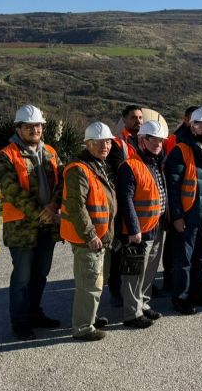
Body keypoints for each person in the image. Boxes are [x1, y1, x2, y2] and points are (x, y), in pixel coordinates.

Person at [0, 104, 63, 341]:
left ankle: (35, 313)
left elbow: (62, 182)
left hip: (48, 226)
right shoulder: (5, 156)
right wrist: (41, 213)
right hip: (22, 229)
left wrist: (53, 207)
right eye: (29, 126)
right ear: (18, 128)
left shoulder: (51, 152)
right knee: (22, 277)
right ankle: (20, 321)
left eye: (38, 126)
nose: (35, 130)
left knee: (40, 274)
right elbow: (12, 191)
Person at [61, 122, 117, 341]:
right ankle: (83, 327)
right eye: (99, 142)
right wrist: (90, 234)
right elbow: (76, 206)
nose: (105, 146)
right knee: (89, 283)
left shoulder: (98, 165)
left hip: (101, 237)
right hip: (89, 239)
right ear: (88, 144)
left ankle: (90, 317)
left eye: (108, 142)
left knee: (97, 280)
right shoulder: (79, 169)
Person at [165, 107, 202, 314]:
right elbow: (173, 188)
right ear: (192, 126)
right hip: (188, 217)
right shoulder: (180, 150)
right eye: (201, 125)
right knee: (184, 261)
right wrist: (177, 216)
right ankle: (181, 298)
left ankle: (196, 293)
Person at [115, 120, 168, 328]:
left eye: (160, 141)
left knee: (149, 270)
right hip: (139, 230)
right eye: (153, 140)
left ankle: (143, 304)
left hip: (156, 226)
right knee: (134, 273)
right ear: (141, 140)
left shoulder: (156, 163)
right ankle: (132, 314)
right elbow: (125, 199)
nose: (157, 144)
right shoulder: (130, 166)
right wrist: (134, 229)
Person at [107, 104, 144, 308]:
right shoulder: (118, 144)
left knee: (138, 248)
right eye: (133, 117)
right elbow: (120, 172)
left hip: (140, 203)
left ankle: (137, 288)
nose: (137, 121)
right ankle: (116, 290)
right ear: (124, 120)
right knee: (120, 249)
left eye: (140, 117)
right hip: (124, 203)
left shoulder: (143, 141)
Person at [160, 105, 198, 290]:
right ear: (186, 119)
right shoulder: (175, 140)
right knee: (174, 244)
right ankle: (170, 278)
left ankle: (186, 280)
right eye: (193, 119)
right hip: (178, 204)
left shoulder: (199, 140)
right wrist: (176, 212)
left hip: (193, 205)